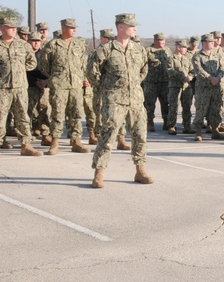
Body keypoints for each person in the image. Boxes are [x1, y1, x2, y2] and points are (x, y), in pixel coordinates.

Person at [88, 13, 153, 188]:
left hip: (136, 100)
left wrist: (133, 85)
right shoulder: (106, 49)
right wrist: (106, 88)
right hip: (114, 101)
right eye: (132, 26)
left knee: (140, 135)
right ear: (121, 27)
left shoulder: (139, 49)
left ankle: (140, 170)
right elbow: (92, 71)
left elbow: (143, 71)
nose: (135, 28)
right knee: (107, 137)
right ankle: (99, 173)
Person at [38, 18, 90, 155]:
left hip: (76, 85)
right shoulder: (52, 45)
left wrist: (83, 78)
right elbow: (43, 65)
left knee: (76, 113)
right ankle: (55, 141)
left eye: (75, 28)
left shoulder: (78, 44)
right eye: (71, 28)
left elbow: (83, 64)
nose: (74, 30)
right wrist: (55, 77)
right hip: (59, 85)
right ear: (63, 28)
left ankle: (76, 141)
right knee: (57, 114)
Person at [0, 17, 43, 157]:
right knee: (1, 116)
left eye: (14, 27)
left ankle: (25, 145)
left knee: (23, 116)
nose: (13, 30)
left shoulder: (23, 45)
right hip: (2, 87)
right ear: (2, 28)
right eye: (9, 27)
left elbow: (32, 63)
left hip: (20, 87)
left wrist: (18, 69)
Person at [192, 34, 224, 141]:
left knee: (215, 109)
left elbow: (222, 67)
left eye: (213, 42)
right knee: (201, 108)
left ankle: (215, 130)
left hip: (216, 87)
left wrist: (218, 77)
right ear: (204, 43)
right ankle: (198, 132)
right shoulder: (198, 55)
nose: (212, 43)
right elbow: (199, 70)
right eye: (210, 42)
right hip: (203, 87)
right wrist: (211, 78)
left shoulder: (217, 55)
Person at [143, 32, 172, 132]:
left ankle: (167, 122)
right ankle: (149, 122)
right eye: (159, 40)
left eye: (163, 40)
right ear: (155, 41)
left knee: (166, 102)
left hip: (165, 81)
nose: (161, 42)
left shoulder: (167, 50)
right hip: (151, 81)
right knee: (150, 103)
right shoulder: (147, 51)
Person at [165, 40, 194, 135]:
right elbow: (170, 71)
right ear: (178, 47)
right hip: (175, 87)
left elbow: (192, 70)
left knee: (187, 107)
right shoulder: (171, 59)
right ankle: (171, 126)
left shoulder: (187, 59)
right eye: (184, 47)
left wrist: (190, 76)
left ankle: (187, 126)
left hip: (186, 87)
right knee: (173, 107)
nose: (186, 49)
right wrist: (182, 77)